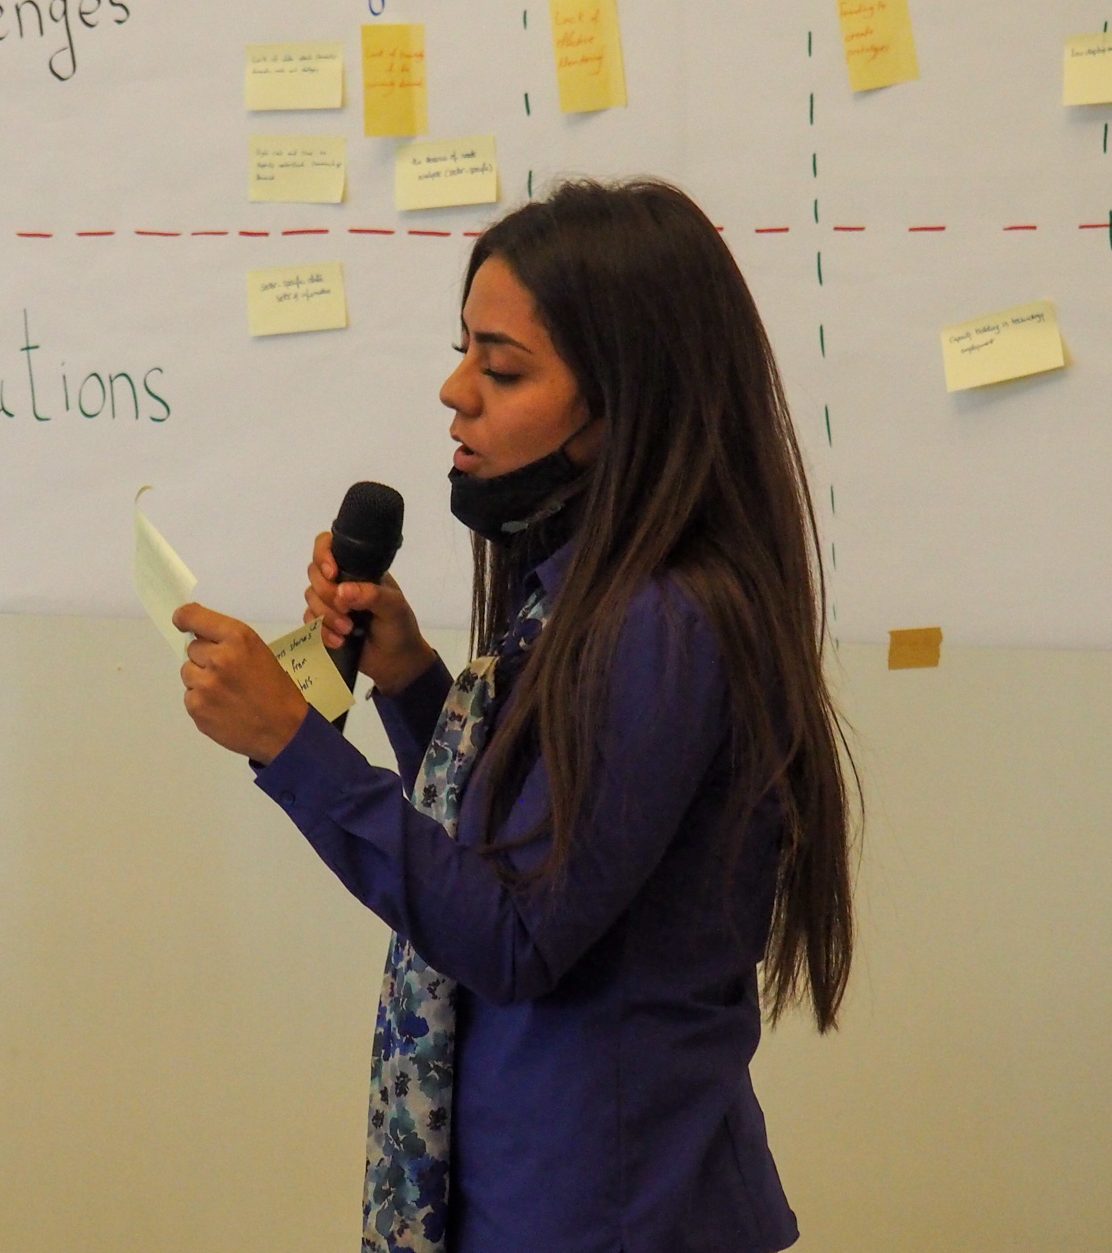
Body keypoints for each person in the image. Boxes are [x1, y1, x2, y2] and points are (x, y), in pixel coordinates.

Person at [174, 178, 856, 1253]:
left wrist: (293, 746)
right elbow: (536, 839)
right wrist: (408, 686)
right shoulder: (592, 594)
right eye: (464, 354)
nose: (455, 390)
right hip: (545, 1199)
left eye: (501, 368)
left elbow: (520, 931)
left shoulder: (661, 622)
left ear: (627, 400)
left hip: (607, 1216)